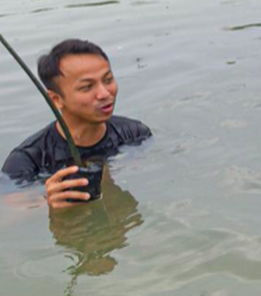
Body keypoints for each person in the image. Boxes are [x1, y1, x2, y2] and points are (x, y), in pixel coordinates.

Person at [3, 39, 151, 206]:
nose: (104, 93)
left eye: (108, 80)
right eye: (87, 87)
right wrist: (46, 202)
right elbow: (7, 215)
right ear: (55, 99)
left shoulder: (136, 134)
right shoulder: (27, 161)